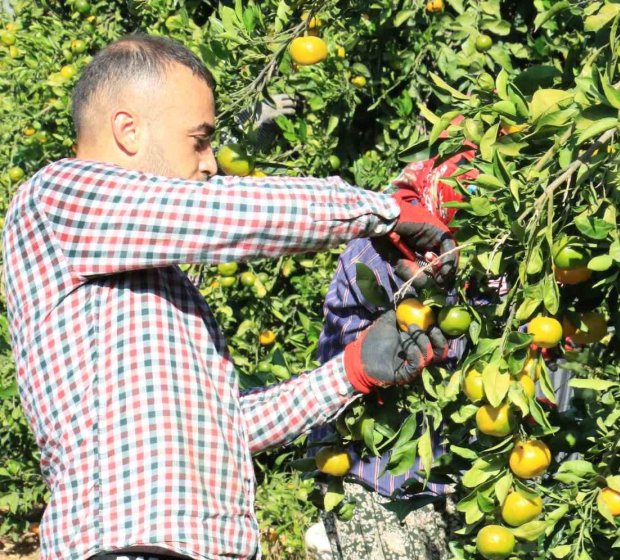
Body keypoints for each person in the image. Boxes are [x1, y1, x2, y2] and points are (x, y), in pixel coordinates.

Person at [0, 33, 457, 560]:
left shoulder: (156, 285)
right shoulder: (56, 198)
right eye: (199, 139)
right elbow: (222, 213)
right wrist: (383, 212)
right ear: (128, 130)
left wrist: (349, 373)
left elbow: (221, 427)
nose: (212, 163)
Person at [305, 144, 476, 560]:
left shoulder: (481, 261)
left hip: (452, 471)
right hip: (375, 475)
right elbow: (351, 356)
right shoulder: (381, 252)